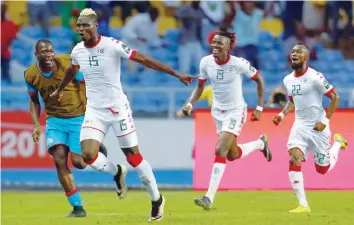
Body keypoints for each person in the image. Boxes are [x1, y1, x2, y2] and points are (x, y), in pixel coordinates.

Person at [50, 8, 196, 222]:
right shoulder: (78, 50)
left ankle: (156, 199)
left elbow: (144, 60)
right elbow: (73, 69)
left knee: (134, 157)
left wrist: (176, 74)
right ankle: (117, 171)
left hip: (118, 110)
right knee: (87, 156)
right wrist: (61, 88)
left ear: (96, 26)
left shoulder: (112, 45)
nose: (81, 29)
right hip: (95, 111)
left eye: (85, 25)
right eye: (79, 25)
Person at [181, 26, 272, 210]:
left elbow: (259, 80)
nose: (215, 45)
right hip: (218, 112)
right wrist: (191, 103)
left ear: (228, 45)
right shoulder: (206, 62)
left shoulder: (239, 63)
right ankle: (260, 144)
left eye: (219, 43)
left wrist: (260, 107)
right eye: (213, 42)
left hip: (236, 111)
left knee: (220, 150)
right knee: (232, 154)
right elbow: (200, 86)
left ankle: (209, 198)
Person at [24, 39, 111, 217]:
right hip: (55, 121)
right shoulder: (30, 75)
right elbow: (34, 101)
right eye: (43, 52)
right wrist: (35, 125)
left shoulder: (67, 63)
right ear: (36, 55)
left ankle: (95, 149)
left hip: (77, 118)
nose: (48, 55)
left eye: (50, 51)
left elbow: (86, 84)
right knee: (59, 160)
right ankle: (77, 207)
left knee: (79, 163)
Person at [272, 44, 348, 213]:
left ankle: (337, 143)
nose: (294, 53)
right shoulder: (287, 80)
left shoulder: (315, 77)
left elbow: (335, 97)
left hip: (318, 127)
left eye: (299, 51)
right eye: (292, 51)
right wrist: (282, 115)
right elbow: (293, 101)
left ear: (306, 57)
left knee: (322, 169)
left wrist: (325, 121)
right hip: (299, 126)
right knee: (294, 158)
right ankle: (303, 205)